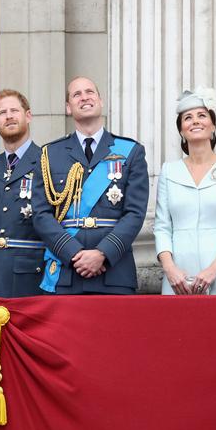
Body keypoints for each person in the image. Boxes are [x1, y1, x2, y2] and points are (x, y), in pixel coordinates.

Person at [32, 76, 149, 294]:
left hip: (114, 272)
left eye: (89, 92)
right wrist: (73, 253)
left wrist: (102, 253)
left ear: (100, 101)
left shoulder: (131, 151)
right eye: (76, 94)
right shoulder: (49, 154)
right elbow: (41, 214)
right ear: (68, 108)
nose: (84, 97)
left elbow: (135, 213)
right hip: (67, 271)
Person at [154, 87, 216, 295]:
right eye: (188, 118)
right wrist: (170, 268)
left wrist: (213, 270)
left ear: (213, 126)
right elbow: (162, 227)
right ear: (181, 130)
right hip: (178, 277)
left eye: (202, 115)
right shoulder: (169, 171)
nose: (195, 121)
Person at [0, 89, 45, 297]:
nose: (9, 116)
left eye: (14, 110)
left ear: (28, 115)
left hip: (31, 276)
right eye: (2, 113)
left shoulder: (47, 162)